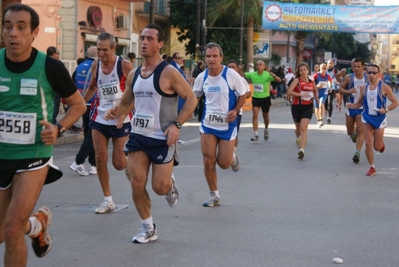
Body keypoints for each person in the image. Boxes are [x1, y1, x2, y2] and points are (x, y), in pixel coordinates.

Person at [0, 4, 86, 266]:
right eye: (7, 26)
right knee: (4, 231)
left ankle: (27, 226)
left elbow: (78, 105)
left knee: (12, 229)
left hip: (33, 155)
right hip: (2, 154)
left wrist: (58, 128)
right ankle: (36, 226)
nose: (13, 33)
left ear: (34, 32)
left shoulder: (51, 67)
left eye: (21, 27)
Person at [104, 24, 197, 243]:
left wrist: (177, 124)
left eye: (150, 39)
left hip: (162, 138)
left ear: (160, 44)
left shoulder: (169, 72)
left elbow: (191, 99)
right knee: (136, 182)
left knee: (159, 187)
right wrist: (116, 111)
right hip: (138, 136)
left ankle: (169, 185)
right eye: (142, 38)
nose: (144, 42)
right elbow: (127, 101)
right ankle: (148, 227)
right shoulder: (135, 74)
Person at [83, 32, 134, 214]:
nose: (101, 53)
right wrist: (80, 105)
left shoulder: (124, 65)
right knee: (100, 157)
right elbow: (92, 87)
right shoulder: (96, 64)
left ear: (114, 48)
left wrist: (123, 113)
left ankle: (133, 167)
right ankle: (108, 200)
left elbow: (136, 91)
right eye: (98, 49)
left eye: (105, 49)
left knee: (119, 163)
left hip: (121, 116)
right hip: (100, 116)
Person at [193, 42, 247, 207]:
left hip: (227, 125)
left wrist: (236, 110)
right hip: (208, 124)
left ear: (220, 58)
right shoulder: (202, 77)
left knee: (223, 163)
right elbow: (194, 98)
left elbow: (243, 94)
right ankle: (214, 195)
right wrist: (179, 121)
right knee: (208, 159)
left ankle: (231, 155)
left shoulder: (230, 75)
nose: (211, 59)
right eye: (208, 56)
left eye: (215, 56)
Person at [347, 64, 398, 176]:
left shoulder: (384, 87)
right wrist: (352, 106)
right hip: (367, 118)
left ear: (378, 74)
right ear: (366, 74)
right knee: (368, 142)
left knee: (377, 146)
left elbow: (395, 102)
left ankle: (381, 144)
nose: (371, 75)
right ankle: (372, 167)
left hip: (379, 119)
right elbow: (359, 103)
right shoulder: (363, 88)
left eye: (374, 73)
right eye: (369, 72)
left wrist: (386, 109)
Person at [69, 46, 98, 176]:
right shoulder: (97, 66)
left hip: (83, 103)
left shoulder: (80, 66)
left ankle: (93, 165)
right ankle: (78, 162)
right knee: (92, 136)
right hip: (94, 104)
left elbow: (74, 82)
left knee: (89, 134)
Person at [287, 62, 318, 159]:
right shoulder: (297, 80)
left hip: (308, 106)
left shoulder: (311, 81)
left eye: (305, 70)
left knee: (304, 128)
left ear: (308, 70)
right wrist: (301, 95)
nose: (303, 72)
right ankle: (297, 136)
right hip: (296, 106)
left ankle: (302, 150)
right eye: (301, 70)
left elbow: (315, 90)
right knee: (298, 129)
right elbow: (289, 92)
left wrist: (315, 96)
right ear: (299, 72)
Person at [338, 58, 367, 163]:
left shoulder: (367, 78)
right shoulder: (348, 78)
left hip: (362, 108)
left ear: (363, 67)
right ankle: (353, 133)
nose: (356, 69)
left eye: (359, 66)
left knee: (360, 130)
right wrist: (348, 91)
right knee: (350, 132)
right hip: (350, 107)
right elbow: (340, 89)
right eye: (354, 66)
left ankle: (357, 153)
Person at [245, 60, 281, 141]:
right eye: (257, 65)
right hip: (256, 98)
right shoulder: (253, 74)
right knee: (255, 115)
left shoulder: (267, 75)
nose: (258, 66)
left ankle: (266, 129)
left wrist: (274, 75)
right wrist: (239, 70)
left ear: (264, 67)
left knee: (266, 117)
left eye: (260, 65)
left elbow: (279, 80)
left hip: (265, 98)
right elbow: (243, 75)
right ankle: (255, 134)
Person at [226, 59, 251, 148]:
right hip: (222, 112)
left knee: (234, 134)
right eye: (229, 67)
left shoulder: (241, 79)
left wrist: (239, 97)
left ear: (237, 69)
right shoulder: (222, 78)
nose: (231, 69)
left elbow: (248, 93)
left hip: (236, 111)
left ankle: (233, 152)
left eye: (233, 67)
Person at [313, 63, 332, 128]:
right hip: (316, 93)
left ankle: (321, 120)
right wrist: (316, 86)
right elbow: (310, 83)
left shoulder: (327, 76)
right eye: (322, 68)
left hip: (324, 93)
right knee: (317, 108)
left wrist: (330, 87)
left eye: (325, 68)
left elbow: (330, 81)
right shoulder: (316, 75)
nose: (323, 70)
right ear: (319, 68)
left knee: (321, 104)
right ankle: (318, 120)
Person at [46, 46, 62, 124]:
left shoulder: (43, 61)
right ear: (53, 54)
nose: (58, 55)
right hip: (55, 90)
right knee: (54, 110)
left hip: (45, 89)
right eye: (57, 53)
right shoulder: (58, 64)